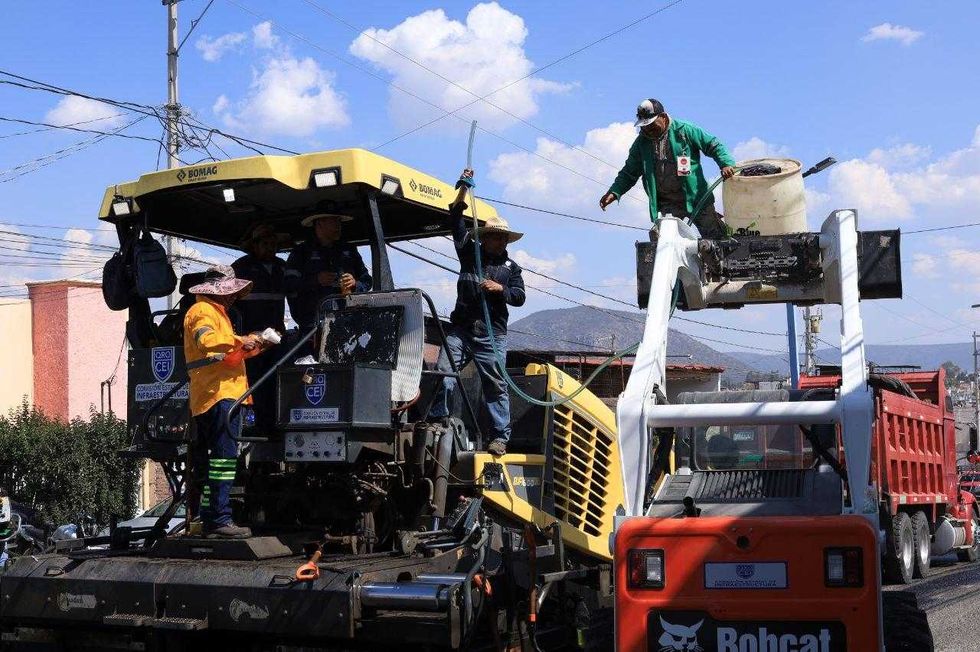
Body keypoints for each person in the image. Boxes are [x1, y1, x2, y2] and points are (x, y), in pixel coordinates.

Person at [430, 169, 526, 456]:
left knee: (494, 383)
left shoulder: (512, 269)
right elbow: (455, 219)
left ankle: (499, 437)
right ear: (485, 238)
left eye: (503, 238)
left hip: (491, 335)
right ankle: (438, 418)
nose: (500, 242)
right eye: (495, 237)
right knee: (444, 370)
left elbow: (519, 297)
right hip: (462, 329)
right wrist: (461, 189)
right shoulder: (469, 254)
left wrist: (500, 290)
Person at [184, 265, 273, 538]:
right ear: (218, 292)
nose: (233, 297)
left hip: (223, 393)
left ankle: (212, 518)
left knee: (219, 460)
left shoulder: (219, 314)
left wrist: (256, 345)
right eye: (230, 292)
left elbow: (228, 356)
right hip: (217, 395)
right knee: (224, 458)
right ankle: (219, 520)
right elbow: (208, 341)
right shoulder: (202, 312)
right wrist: (242, 339)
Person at [599, 98, 737, 239]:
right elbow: (629, 172)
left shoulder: (685, 130)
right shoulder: (641, 143)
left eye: (652, 125)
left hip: (696, 198)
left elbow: (713, 145)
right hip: (667, 204)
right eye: (644, 127)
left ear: (663, 117)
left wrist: (725, 163)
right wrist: (614, 192)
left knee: (716, 240)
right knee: (662, 241)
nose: (648, 130)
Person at [232, 223, 289, 434]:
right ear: (254, 245)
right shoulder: (240, 268)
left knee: (277, 380)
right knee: (255, 381)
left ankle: (274, 425)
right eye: (265, 243)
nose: (270, 247)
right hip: (251, 339)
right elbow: (231, 306)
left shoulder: (282, 267)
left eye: (273, 244)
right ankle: (259, 425)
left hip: (276, 337)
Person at [285, 206, 372, 333]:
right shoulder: (301, 252)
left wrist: (355, 284)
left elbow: (367, 281)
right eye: (334, 221)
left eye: (339, 222)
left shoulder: (349, 250)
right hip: (312, 327)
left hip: (347, 322)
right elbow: (288, 285)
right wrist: (316, 280)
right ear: (319, 223)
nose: (339, 226)